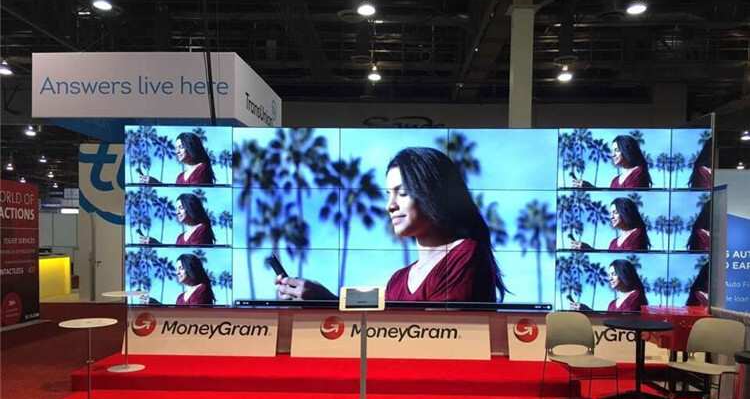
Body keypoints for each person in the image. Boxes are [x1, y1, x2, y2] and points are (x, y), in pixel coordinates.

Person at [274, 146, 508, 303]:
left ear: (434, 193)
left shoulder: (465, 254)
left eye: (402, 193)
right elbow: (378, 313)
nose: (390, 205)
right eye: (388, 194)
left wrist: (329, 302)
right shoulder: (398, 280)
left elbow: (434, 337)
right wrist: (321, 299)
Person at [572, 135, 653, 189]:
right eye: (612, 151)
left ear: (627, 150)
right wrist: (590, 187)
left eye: (617, 150)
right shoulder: (615, 181)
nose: (613, 155)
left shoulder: (638, 172)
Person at [571, 197, 651, 251]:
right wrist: (589, 249)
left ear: (625, 212)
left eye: (615, 212)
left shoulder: (637, 234)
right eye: (610, 213)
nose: (611, 217)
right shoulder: (613, 243)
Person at [569, 259, 648, 312]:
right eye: (609, 275)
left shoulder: (636, 296)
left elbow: (622, 321)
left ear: (624, 274)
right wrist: (587, 311)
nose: (609, 278)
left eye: (614, 274)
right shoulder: (612, 304)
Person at [139, 193, 217, 246]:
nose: (177, 212)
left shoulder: (202, 229)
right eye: (177, 209)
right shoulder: (180, 238)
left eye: (181, 208)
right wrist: (157, 244)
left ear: (191, 207)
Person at [139, 132, 216, 185]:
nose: (177, 151)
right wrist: (156, 183)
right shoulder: (180, 177)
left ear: (191, 147)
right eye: (176, 148)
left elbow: (193, 192)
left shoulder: (202, 168)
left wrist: (158, 184)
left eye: (181, 147)